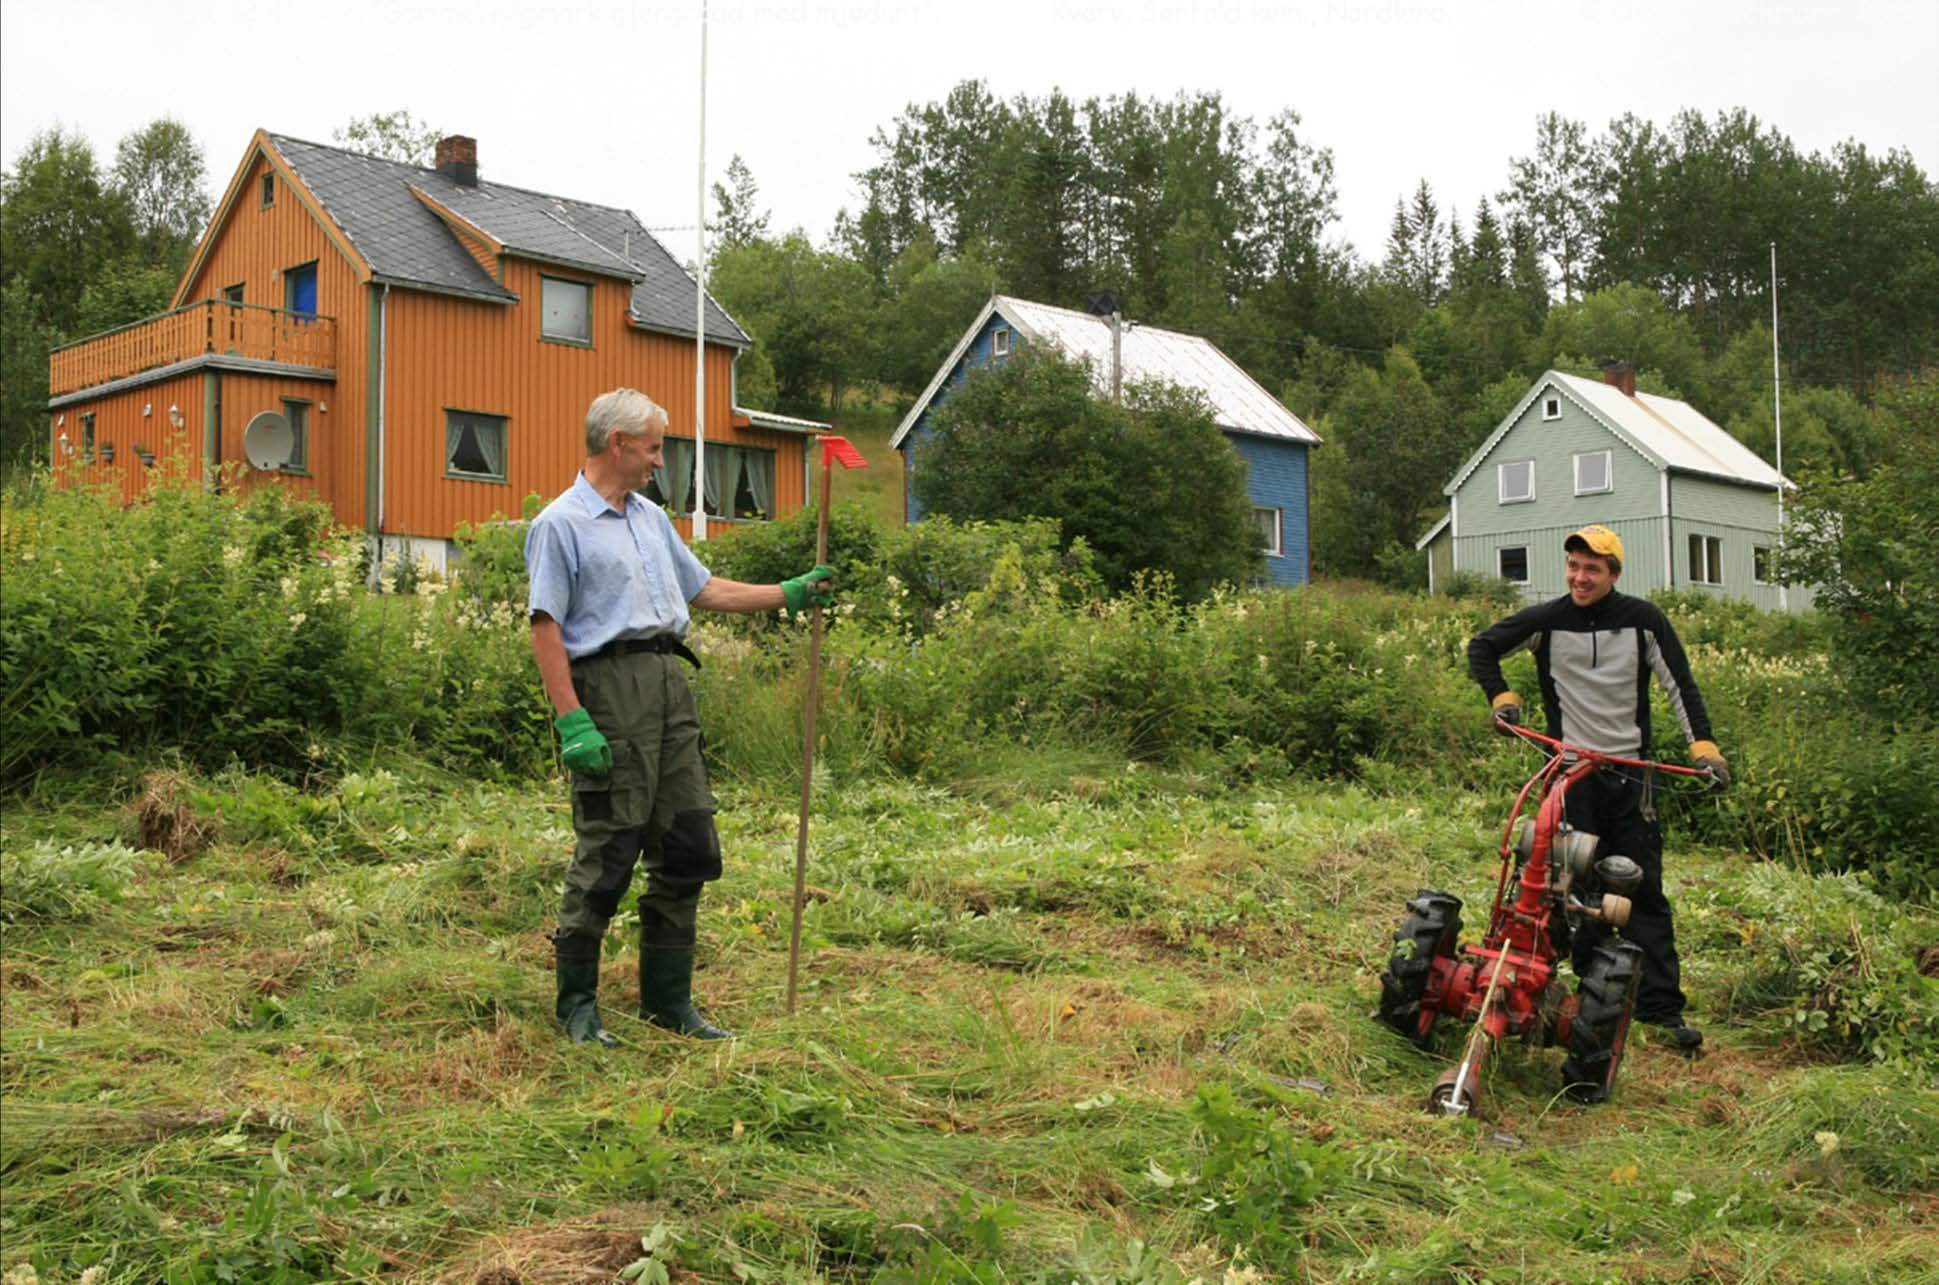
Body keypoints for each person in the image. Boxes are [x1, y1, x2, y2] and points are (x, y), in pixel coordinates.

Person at [525, 388, 835, 1046]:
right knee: (610, 847)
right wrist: (571, 720)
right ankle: (576, 1004)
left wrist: (788, 592)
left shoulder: (648, 518)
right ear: (617, 443)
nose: (660, 461)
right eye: (653, 446)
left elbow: (703, 589)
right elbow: (545, 625)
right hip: (609, 689)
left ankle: (668, 1002)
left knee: (690, 843)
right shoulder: (560, 523)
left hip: (669, 684)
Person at [1466, 524, 1729, 1052]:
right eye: (1574, 567)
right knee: (1571, 890)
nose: (1580, 577)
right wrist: (1501, 698)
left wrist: (1703, 747)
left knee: (1642, 891)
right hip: (1568, 774)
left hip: (1630, 774)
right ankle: (1588, 998)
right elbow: (1483, 648)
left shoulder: (1643, 621)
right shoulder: (1547, 620)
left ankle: (1660, 1010)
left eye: (1592, 569)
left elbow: (1681, 685)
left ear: (1613, 574)